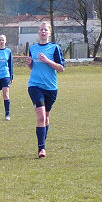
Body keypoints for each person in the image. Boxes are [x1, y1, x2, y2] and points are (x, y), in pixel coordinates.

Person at [27, 22, 65, 158]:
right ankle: (41, 149)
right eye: (41, 29)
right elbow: (32, 68)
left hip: (51, 88)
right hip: (35, 86)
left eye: (46, 29)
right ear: (38, 32)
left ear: (50, 32)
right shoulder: (33, 48)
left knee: (47, 117)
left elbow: (61, 69)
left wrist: (48, 61)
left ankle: (43, 142)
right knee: (41, 116)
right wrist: (30, 64)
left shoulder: (55, 48)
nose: (43, 32)